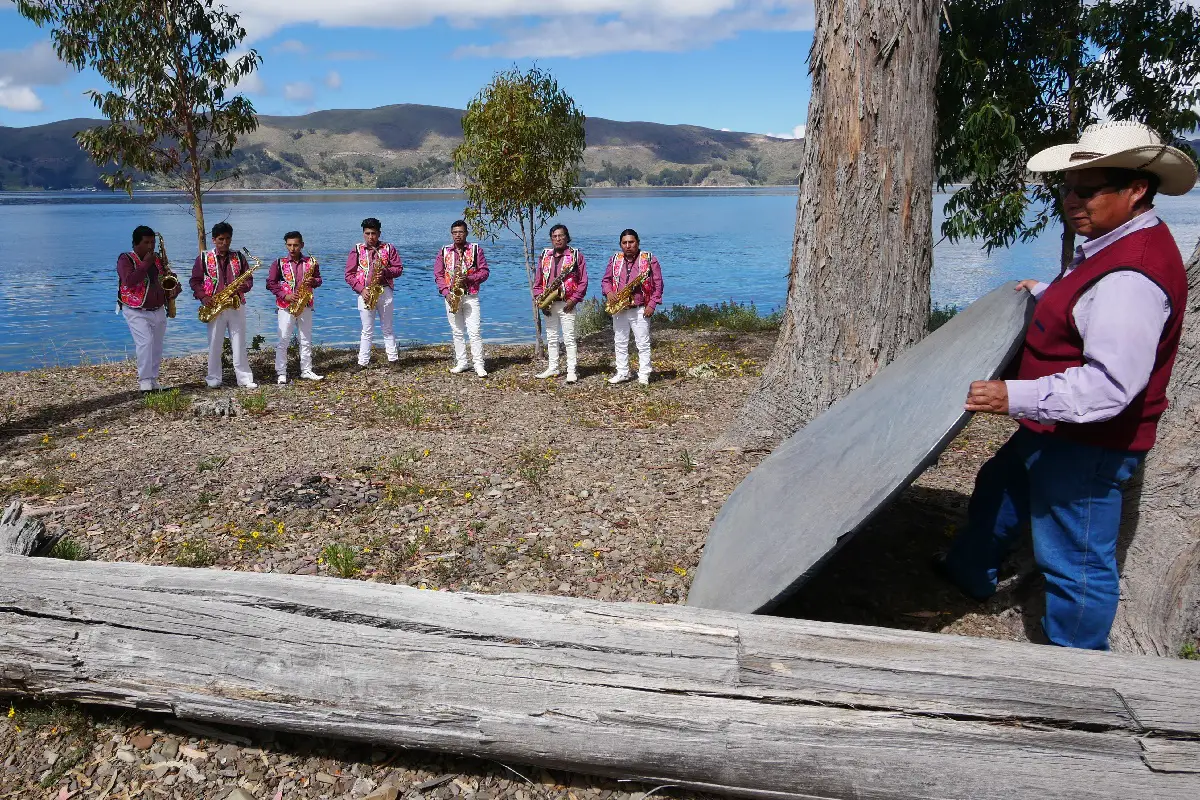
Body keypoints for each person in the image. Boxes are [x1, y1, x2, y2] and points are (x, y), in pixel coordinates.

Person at [938, 121, 1195, 650]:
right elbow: (1089, 300)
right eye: (1067, 189)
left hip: (1092, 441)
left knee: (1073, 558)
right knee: (999, 483)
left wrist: (1013, 395)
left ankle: (1076, 678)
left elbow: (1110, 388)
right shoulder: (1117, 243)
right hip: (1057, 427)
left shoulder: (1132, 278)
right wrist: (1048, 290)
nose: (1072, 201)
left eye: (1089, 190)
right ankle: (969, 574)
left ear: (1136, 190)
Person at [190, 221, 257, 389]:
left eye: (228, 239)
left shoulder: (239, 257)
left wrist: (243, 287)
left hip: (236, 304)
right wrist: (204, 298)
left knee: (239, 341)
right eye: (221, 239)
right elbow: (195, 281)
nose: (225, 243)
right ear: (213, 240)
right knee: (214, 342)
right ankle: (213, 378)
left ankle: (245, 379)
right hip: (214, 305)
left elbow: (248, 279)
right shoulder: (204, 258)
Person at [116, 225, 181, 392]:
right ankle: (144, 382)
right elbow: (129, 281)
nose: (151, 246)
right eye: (146, 242)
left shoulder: (157, 259)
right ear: (136, 244)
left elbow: (164, 278)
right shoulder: (125, 259)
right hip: (136, 310)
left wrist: (174, 288)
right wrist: (145, 264)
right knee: (145, 343)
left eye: (152, 242)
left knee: (157, 346)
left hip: (158, 308)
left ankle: (153, 380)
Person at [601, 229, 665, 386]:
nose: (628, 245)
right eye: (624, 243)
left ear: (638, 242)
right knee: (620, 341)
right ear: (620, 244)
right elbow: (606, 280)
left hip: (640, 308)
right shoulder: (615, 259)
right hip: (620, 307)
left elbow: (659, 284)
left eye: (631, 242)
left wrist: (652, 304)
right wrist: (609, 292)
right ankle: (622, 372)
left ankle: (644, 374)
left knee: (642, 343)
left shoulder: (650, 259)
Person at [532, 223, 588, 384]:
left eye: (561, 236)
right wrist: (541, 300)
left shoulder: (576, 255)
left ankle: (571, 370)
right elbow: (538, 281)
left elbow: (583, 281)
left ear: (566, 237)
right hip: (549, 302)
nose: (558, 239)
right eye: (554, 236)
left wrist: (574, 299)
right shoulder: (545, 255)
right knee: (551, 337)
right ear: (551, 239)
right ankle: (553, 367)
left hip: (567, 303)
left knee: (569, 338)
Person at [433, 220, 490, 377]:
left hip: (471, 295)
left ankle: (479, 364)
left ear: (466, 233)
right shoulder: (444, 251)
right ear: (451, 234)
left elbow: (485, 272)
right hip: (451, 296)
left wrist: (469, 278)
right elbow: (438, 274)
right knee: (457, 331)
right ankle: (462, 362)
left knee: (475, 331)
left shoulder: (476, 249)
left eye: (461, 232)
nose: (458, 235)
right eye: (455, 232)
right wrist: (446, 293)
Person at [345, 217, 403, 369]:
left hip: (384, 291)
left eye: (374, 233)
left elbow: (398, 269)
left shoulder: (389, 248)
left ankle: (393, 360)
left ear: (379, 233)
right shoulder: (356, 250)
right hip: (365, 293)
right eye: (367, 233)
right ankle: (362, 362)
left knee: (388, 327)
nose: (371, 237)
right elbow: (349, 275)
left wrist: (385, 271)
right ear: (363, 233)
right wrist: (361, 289)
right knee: (367, 329)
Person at [267, 231, 324, 384]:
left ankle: (306, 370)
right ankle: (281, 373)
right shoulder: (278, 263)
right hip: (286, 306)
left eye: (296, 245)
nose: (292, 249)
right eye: (289, 245)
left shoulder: (311, 262)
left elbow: (319, 281)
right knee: (283, 339)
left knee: (306, 339)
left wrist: (314, 281)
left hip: (305, 304)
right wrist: (285, 296)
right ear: (286, 245)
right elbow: (270, 284)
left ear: (302, 245)